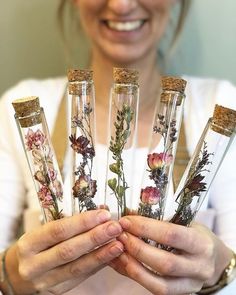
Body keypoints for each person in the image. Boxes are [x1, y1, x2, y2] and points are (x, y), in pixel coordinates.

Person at [0, 0, 236, 294]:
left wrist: (220, 270)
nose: (121, 5)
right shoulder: (24, 102)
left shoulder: (221, 102)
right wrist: (15, 272)